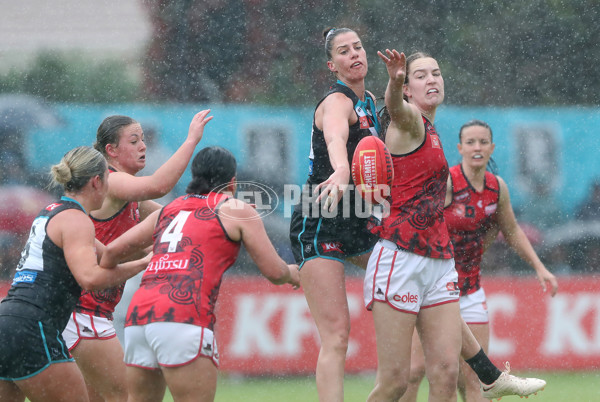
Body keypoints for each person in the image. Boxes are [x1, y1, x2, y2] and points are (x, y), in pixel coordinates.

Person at [365, 49, 547, 402]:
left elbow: (503, 227)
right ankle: (493, 376)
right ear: (407, 89)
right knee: (395, 383)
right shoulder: (410, 119)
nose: (431, 79)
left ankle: (491, 377)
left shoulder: (431, 128)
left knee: (447, 374)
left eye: (436, 73)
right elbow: (396, 107)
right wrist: (394, 79)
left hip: (438, 259)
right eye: (420, 76)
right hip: (400, 259)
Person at [99, 146, 300, 401]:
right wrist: (293, 274)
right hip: (183, 317)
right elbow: (273, 271)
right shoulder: (235, 208)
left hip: (140, 318)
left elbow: (110, 253)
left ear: (194, 176)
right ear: (233, 181)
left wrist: (152, 259)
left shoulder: (169, 210)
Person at [399, 119, 559, 402]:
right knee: (414, 371)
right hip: (433, 290)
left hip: (470, 290)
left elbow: (511, 231)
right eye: (470, 142)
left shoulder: (497, 188)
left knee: (475, 379)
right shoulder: (446, 182)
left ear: (492, 147)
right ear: (459, 148)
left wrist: (539, 267)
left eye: (483, 142)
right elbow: (417, 223)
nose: (477, 147)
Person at [62, 110, 213, 402]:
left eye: (143, 139)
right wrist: (192, 140)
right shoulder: (110, 180)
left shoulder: (128, 196)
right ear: (111, 151)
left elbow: (173, 219)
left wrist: (218, 213)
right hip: (84, 311)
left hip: (83, 310)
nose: (143, 146)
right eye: (134, 141)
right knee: (130, 395)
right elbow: (158, 186)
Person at [0, 146, 150, 402]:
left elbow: (109, 255)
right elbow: (90, 279)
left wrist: (152, 251)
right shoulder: (77, 220)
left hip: (7, 322)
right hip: (34, 327)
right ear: (96, 182)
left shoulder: (52, 210)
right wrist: (144, 263)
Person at [288, 27, 381, 402]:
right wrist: (341, 170)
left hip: (358, 215)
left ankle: (481, 371)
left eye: (358, 47)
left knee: (414, 278)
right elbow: (334, 139)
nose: (354, 54)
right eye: (344, 51)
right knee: (337, 336)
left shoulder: (371, 101)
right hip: (319, 215)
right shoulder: (337, 102)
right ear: (333, 65)